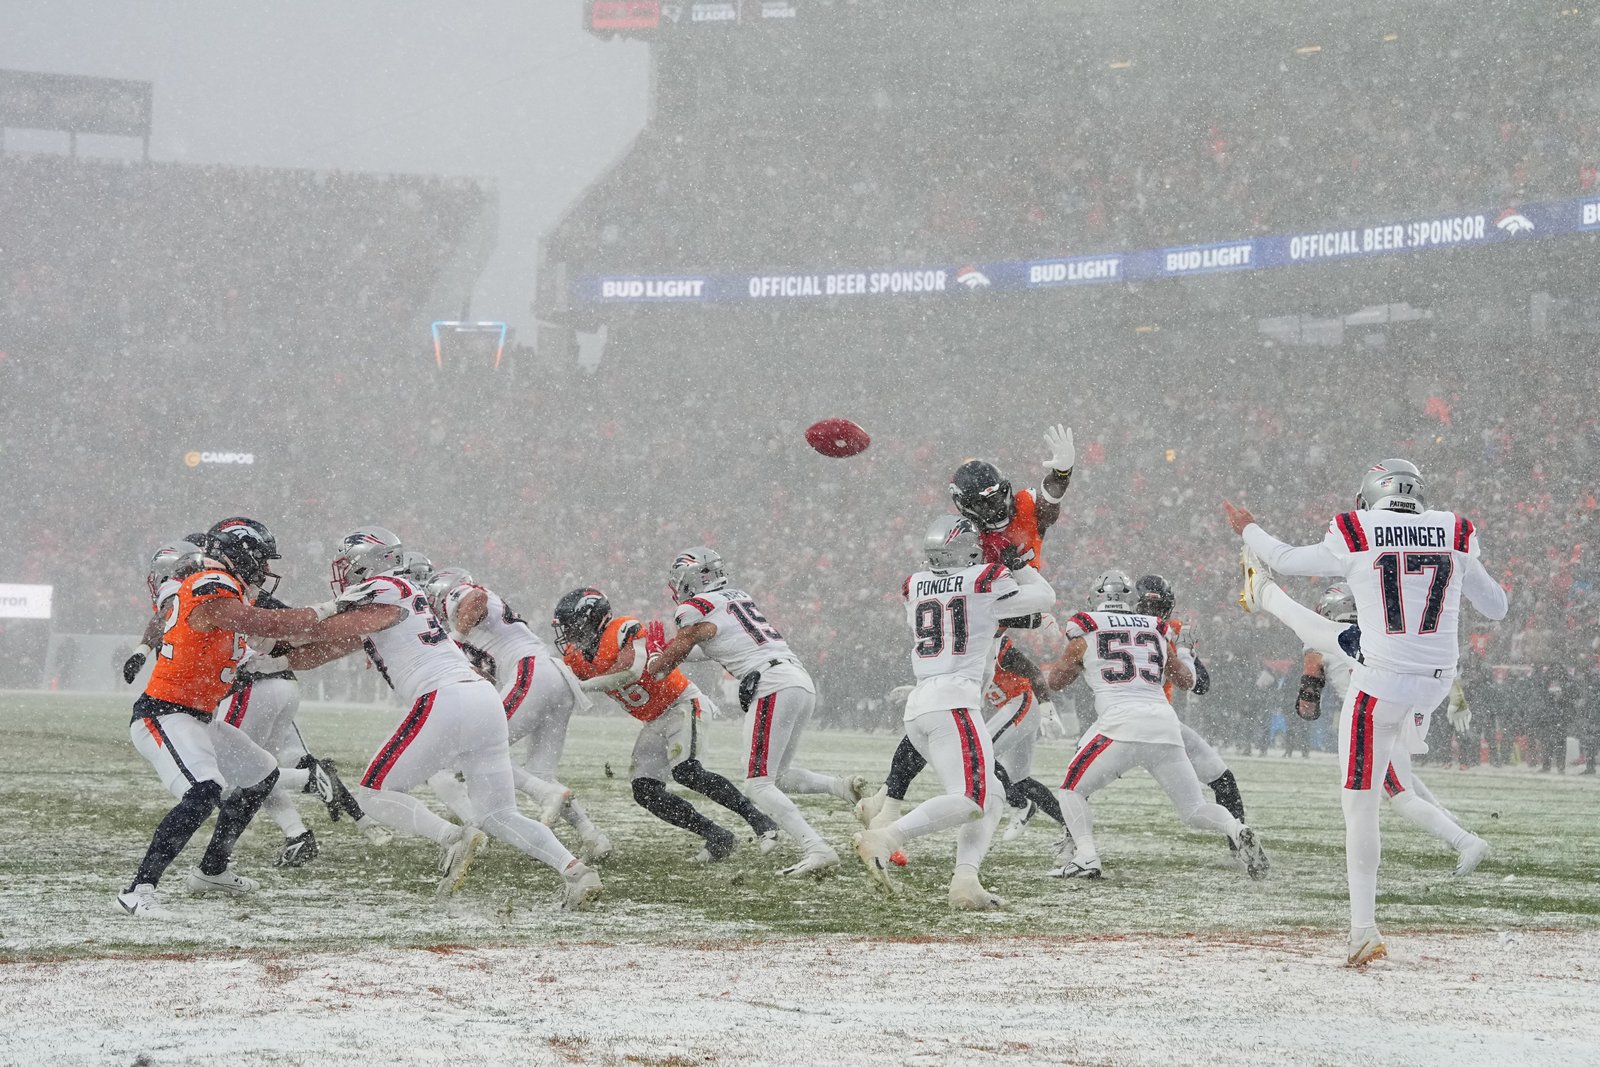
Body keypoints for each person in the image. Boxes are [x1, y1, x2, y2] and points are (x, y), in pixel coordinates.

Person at [1225, 458, 1508, 966]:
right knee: (1344, 638)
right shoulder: (1455, 529)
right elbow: (1498, 608)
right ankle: (1264, 595)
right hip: (1434, 683)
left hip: (1381, 684)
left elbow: (1285, 557)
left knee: (1360, 808)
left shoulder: (1358, 529)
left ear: (1370, 496)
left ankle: (1363, 930)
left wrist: (1248, 528)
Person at [282, 527, 603, 910]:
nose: (342, 572)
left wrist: (262, 628)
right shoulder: (399, 605)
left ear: (366, 563)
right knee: (500, 814)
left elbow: (314, 628)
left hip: (450, 695)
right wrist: (270, 658)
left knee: (374, 792)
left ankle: (454, 836)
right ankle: (576, 871)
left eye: (346, 563)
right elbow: (319, 649)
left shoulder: (390, 588)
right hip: (483, 697)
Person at [118, 523, 340, 919]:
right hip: (164, 713)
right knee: (204, 791)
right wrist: (331, 608)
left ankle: (212, 869)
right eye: (261, 560)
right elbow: (271, 625)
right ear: (239, 555)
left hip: (199, 717)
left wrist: (358, 630)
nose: (265, 570)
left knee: (262, 774)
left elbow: (285, 641)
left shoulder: (230, 593)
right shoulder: (211, 583)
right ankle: (138, 890)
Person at [853, 515, 1057, 909]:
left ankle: (966, 881)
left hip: (921, 705)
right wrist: (1018, 563)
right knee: (971, 799)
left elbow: (956, 615)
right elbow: (1044, 596)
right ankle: (886, 836)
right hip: (954, 703)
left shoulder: (915, 584)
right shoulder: (984, 578)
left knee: (991, 794)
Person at [1239, 567, 1489, 878]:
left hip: (1371, 719)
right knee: (1399, 777)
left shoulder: (1325, 641)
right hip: (1400, 710)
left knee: (1400, 795)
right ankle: (1450, 822)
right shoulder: (1381, 635)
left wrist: (1310, 687)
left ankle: (1465, 841)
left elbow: (1307, 705)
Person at [647, 547, 865, 877]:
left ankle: (817, 848)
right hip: (797, 679)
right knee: (778, 776)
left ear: (691, 580)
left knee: (757, 784)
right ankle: (841, 787)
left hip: (771, 684)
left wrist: (656, 658)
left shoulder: (695, 607)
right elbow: (712, 646)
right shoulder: (737, 597)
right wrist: (666, 653)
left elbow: (672, 657)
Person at [1046, 571, 1269, 882]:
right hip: (1164, 725)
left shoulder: (1087, 629)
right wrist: (1185, 652)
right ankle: (1236, 828)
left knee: (1072, 789)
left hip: (1119, 725)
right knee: (1194, 809)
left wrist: (1077, 663)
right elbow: (1188, 680)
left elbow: (1055, 681)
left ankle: (1085, 855)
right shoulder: (1158, 631)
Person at [553, 586, 780, 863]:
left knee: (687, 772)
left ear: (593, 618)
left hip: (682, 704)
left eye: (572, 624)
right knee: (645, 791)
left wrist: (583, 686)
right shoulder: (575, 656)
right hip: (654, 719)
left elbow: (630, 672)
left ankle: (760, 820)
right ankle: (717, 836)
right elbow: (561, 682)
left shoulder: (622, 628)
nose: (569, 633)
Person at [206, 518, 382, 867]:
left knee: (231, 778)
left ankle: (309, 780)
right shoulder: (233, 592)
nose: (266, 569)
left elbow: (292, 629)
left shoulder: (221, 593)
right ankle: (297, 835)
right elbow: (302, 633)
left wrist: (343, 620)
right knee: (260, 770)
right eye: (262, 560)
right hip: (279, 686)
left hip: (253, 686)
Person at [425, 567, 612, 863]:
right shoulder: (482, 628)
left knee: (472, 750)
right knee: (540, 772)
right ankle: (593, 836)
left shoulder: (458, 595)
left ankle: (486, 823)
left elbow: (476, 599)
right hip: (554, 678)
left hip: (531, 672)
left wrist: (456, 639)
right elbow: (486, 674)